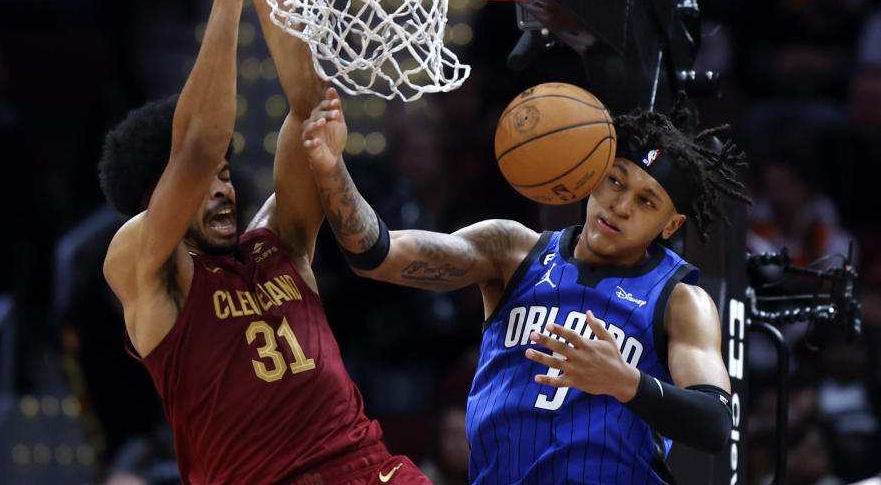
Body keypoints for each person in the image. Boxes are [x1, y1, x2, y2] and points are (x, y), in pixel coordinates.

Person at [98, 0, 429, 485]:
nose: (221, 186)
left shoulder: (278, 241)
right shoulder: (146, 267)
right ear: (159, 197)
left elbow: (311, 109)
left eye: (227, 174)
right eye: (204, 184)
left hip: (372, 471)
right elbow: (197, 149)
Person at [302, 89, 750, 484]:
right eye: (615, 180)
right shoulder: (511, 251)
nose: (620, 205)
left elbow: (714, 422)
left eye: (646, 201)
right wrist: (331, 170)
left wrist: (625, 382)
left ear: (670, 225)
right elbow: (376, 255)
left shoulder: (680, 300)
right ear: (593, 174)